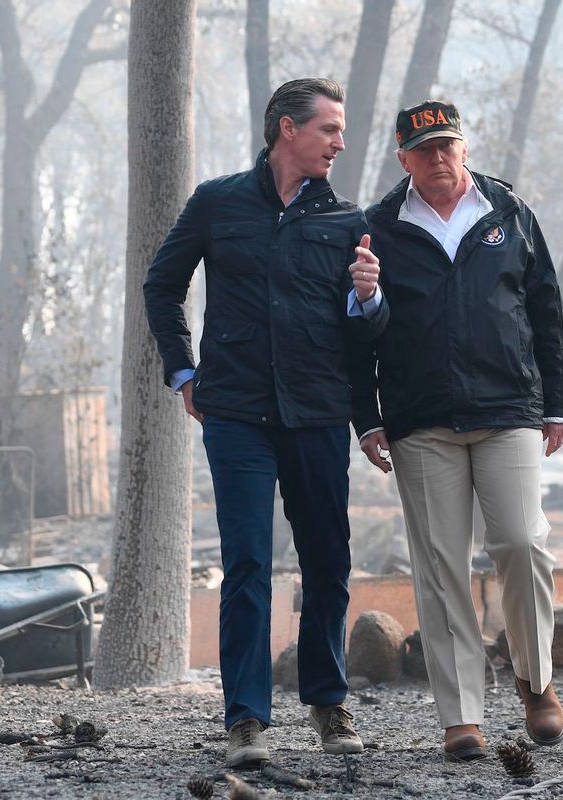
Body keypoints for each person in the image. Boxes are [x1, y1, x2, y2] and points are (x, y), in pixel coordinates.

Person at [143, 78, 389, 767]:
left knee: (328, 560)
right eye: (330, 129)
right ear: (288, 129)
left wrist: (368, 299)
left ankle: (328, 702)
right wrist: (183, 370)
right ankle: (246, 720)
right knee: (247, 562)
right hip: (236, 413)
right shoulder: (217, 204)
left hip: (315, 412)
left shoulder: (347, 221)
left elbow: (369, 336)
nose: (340, 142)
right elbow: (162, 286)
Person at [355, 100, 563, 761]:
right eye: (424, 151)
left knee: (522, 542)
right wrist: (367, 417)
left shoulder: (508, 213)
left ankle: (536, 682)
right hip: (421, 420)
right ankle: (462, 718)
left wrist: (557, 405)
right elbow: (356, 334)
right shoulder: (378, 229)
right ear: (404, 161)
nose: (439, 158)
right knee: (441, 568)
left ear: (465, 148)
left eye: (448, 145)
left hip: (509, 409)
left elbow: (546, 311)